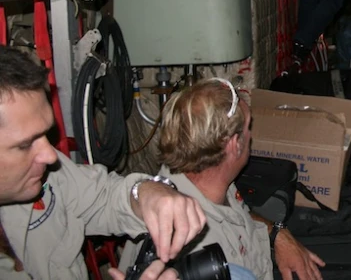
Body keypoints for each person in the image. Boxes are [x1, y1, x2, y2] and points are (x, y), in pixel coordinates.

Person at [0, 45, 207, 280]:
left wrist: (145, 192)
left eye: (46, 135)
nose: (50, 155)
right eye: (25, 144)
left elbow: (102, 197)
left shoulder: (48, 175)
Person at [119, 78, 326, 280]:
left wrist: (277, 235)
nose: (251, 136)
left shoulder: (204, 175)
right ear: (235, 144)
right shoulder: (195, 254)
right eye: (248, 127)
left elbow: (239, 215)